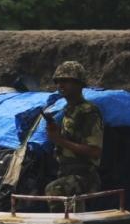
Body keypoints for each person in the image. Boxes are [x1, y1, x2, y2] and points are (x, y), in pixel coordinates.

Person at [43, 61, 104, 212]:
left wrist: (59, 140)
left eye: (66, 81)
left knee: (54, 190)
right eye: (58, 81)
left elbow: (94, 151)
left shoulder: (88, 112)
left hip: (85, 175)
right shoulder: (68, 111)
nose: (60, 85)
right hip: (66, 172)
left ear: (79, 84)